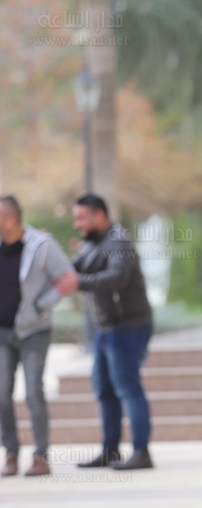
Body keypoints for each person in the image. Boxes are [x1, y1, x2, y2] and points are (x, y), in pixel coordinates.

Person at [56, 194, 155, 470]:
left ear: (99, 215)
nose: (77, 224)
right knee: (104, 388)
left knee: (128, 386)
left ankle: (142, 451)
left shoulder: (119, 241)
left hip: (129, 326)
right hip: (106, 328)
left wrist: (79, 282)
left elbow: (116, 277)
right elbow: (72, 269)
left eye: (81, 218)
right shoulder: (92, 244)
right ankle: (110, 450)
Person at [0, 196, 76, 477]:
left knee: (33, 391)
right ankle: (11, 453)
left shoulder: (41, 246)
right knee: (1, 394)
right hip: (3, 333)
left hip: (33, 331)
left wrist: (41, 305)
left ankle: (40, 456)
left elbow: (68, 279)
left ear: (10, 220)